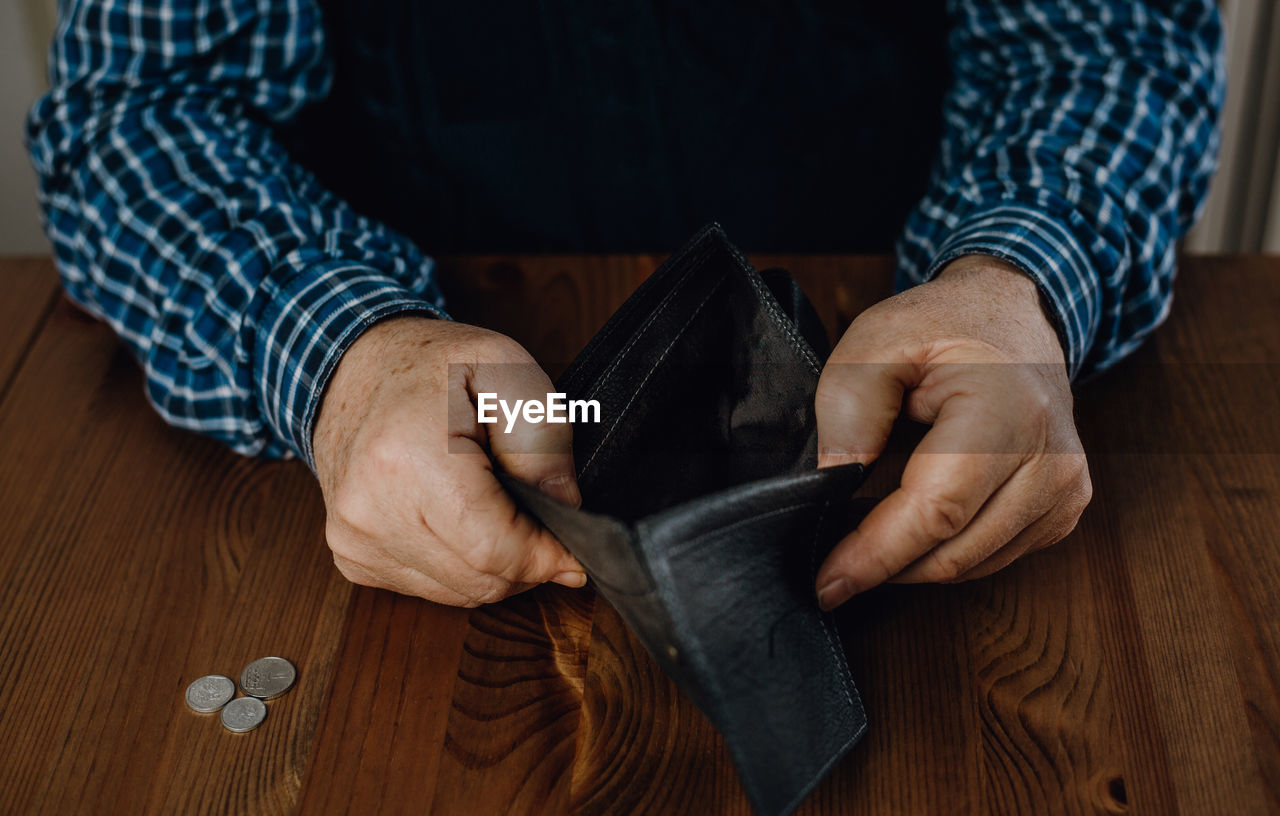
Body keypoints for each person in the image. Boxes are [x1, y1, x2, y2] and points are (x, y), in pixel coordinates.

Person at [26, 1, 1223, 610]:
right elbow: (140, 111)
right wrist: (338, 359)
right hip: (417, 429)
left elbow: (1097, 43)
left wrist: (1014, 279)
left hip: (899, 383)